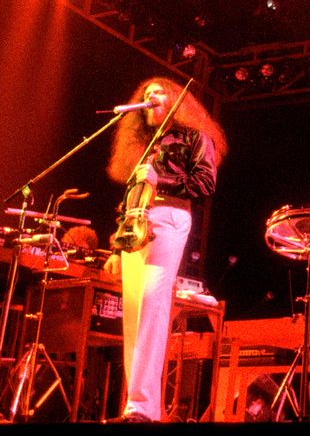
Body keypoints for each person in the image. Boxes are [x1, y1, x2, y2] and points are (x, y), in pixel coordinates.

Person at [102, 77, 228, 423]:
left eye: (157, 93)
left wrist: (162, 180)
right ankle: (139, 408)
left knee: (152, 305)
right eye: (145, 94)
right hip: (135, 224)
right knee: (132, 313)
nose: (150, 98)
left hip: (170, 215)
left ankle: (141, 408)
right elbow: (130, 194)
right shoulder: (144, 144)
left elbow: (205, 183)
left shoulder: (193, 137)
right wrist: (117, 242)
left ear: (175, 100)